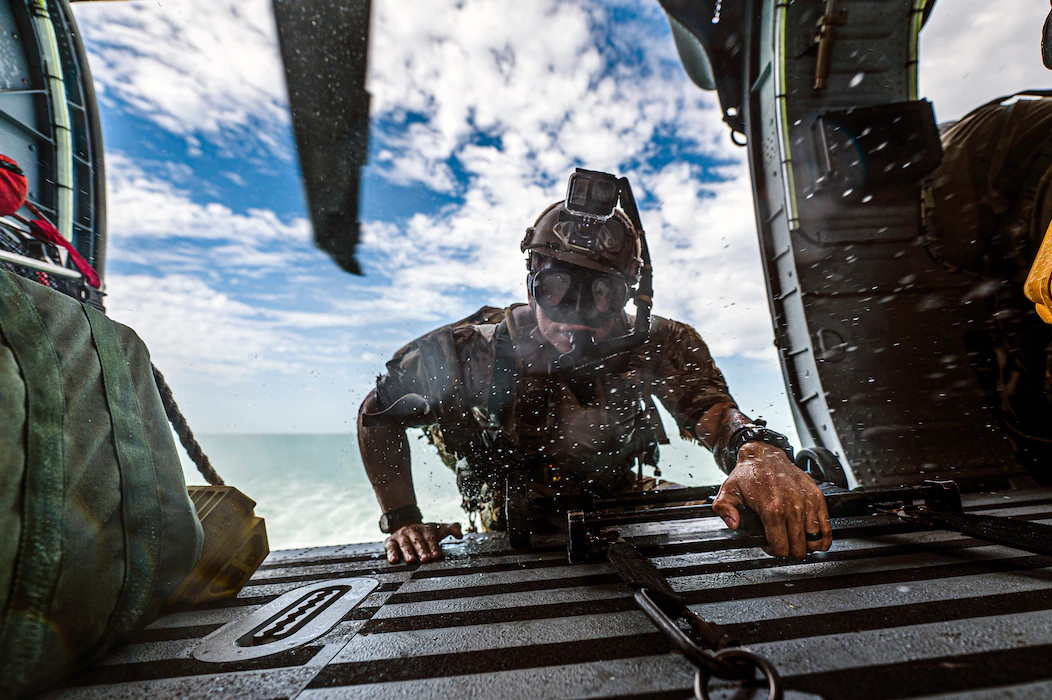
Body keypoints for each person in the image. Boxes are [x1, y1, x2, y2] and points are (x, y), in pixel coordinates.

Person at [358, 170, 832, 565]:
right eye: (558, 291)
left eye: (603, 296)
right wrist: (403, 520)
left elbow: (712, 410)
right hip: (511, 523)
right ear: (531, 286)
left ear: (630, 296)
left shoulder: (659, 341)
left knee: (731, 515)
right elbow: (377, 414)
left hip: (620, 497)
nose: (575, 319)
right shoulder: (463, 353)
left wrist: (757, 454)